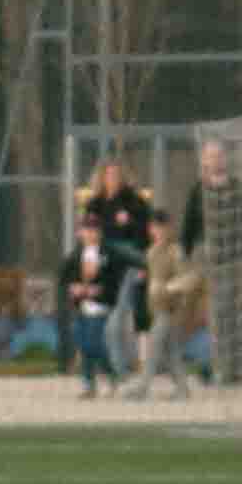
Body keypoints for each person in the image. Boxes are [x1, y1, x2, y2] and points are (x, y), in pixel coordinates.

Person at [178, 137, 242, 388]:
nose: (215, 160)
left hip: (237, 261)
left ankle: (238, 371)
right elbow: (188, 228)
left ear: (225, 159)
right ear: (204, 161)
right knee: (218, 316)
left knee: (238, 316)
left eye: (219, 155)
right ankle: (220, 367)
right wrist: (185, 258)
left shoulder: (241, 190)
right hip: (211, 262)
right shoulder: (198, 192)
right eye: (210, 156)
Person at [78, 156, 161, 399]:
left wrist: (143, 263)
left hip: (128, 267)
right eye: (108, 175)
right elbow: (87, 238)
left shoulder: (134, 202)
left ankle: (122, 375)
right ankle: (103, 377)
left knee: (116, 323)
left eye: (116, 175)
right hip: (102, 268)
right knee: (95, 326)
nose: (112, 179)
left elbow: (145, 234)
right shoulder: (95, 204)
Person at [66, 230, 123, 398]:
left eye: (92, 230)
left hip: (99, 307)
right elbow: (66, 276)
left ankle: (110, 375)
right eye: (86, 230)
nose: (88, 234)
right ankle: (90, 384)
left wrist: (99, 291)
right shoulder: (76, 254)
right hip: (81, 306)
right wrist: (73, 287)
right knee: (84, 344)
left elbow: (113, 281)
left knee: (93, 344)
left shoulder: (107, 254)